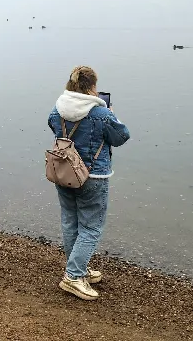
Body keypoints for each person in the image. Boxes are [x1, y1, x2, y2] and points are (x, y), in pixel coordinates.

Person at [47, 66, 130, 300]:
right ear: (92, 86)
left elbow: (54, 126)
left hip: (64, 171)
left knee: (70, 221)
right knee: (91, 227)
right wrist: (112, 113)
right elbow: (122, 136)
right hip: (92, 176)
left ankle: (78, 268)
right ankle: (73, 276)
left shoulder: (57, 109)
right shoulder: (101, 114)